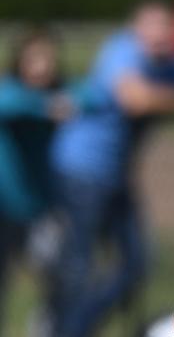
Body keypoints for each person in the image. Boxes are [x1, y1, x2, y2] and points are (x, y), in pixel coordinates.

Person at [48, 0, 174, 337]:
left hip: (115, 177)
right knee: (79, 264)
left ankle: (79, 323)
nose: (160, 35)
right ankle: (63, 327)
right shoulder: (123, 50)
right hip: (81, 171)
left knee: (135, 264)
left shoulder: (169, 63)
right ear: (136, 28)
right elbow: (135, 98)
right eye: (152, 26)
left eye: (167, 27)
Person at [0, 27, 68, 332]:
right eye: (35, 59)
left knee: (58, 280)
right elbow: (8, 103)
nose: (42, 66)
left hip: (41, 209)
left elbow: (91, 95)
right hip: (5, 210)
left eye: (47, 59)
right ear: (21, 62)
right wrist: (44, 106)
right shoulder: (12, 92)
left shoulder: (62, 93)